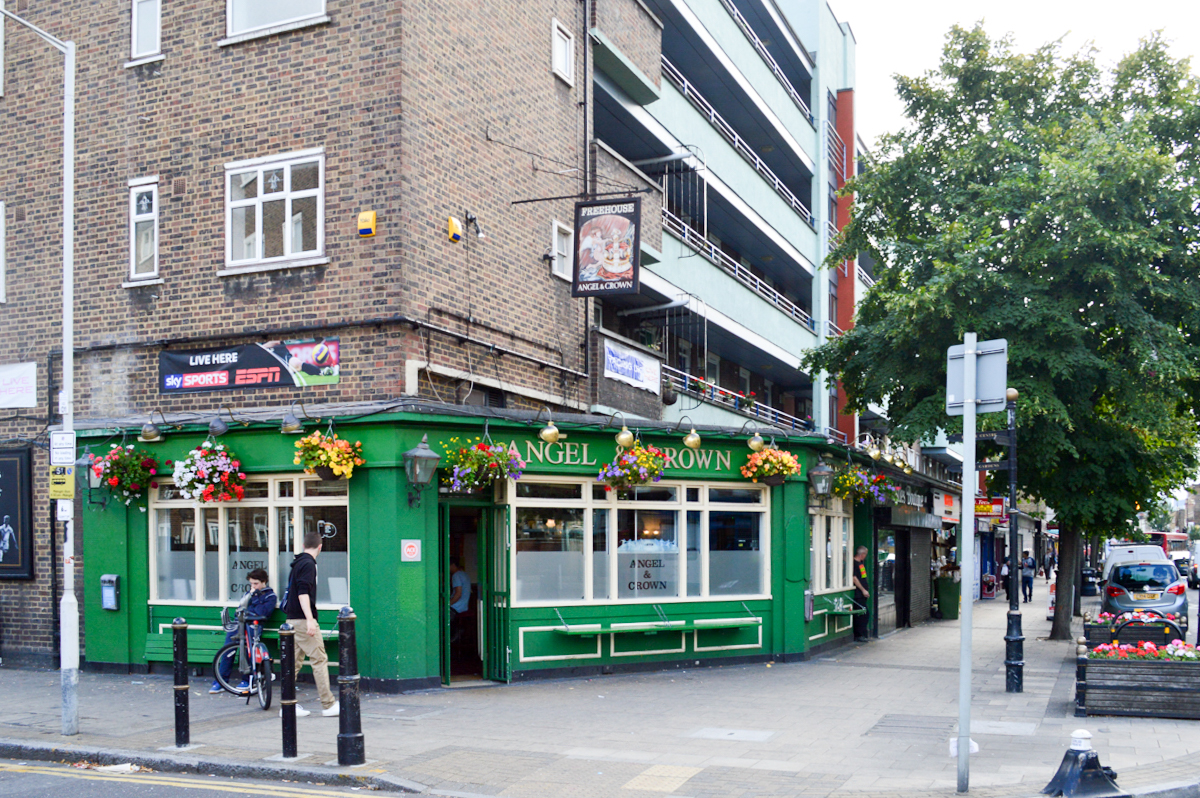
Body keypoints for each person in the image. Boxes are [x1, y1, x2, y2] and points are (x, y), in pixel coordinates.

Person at [283, 530, 338, 717]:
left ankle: (287, 705)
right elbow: (303, 592)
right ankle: (328, 704)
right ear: (320, 547)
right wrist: (310, 620)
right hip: (301, 620)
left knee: (293, 664)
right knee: (319, 659)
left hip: (292, 619)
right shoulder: (308, 564)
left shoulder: (298, 562)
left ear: (303, 545)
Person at [210, 568, 277, 694]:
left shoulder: (270, 596)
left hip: (253, 625)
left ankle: (248, 680)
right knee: (228, 651)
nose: (253, 586)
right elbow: (240, 609)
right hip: (240, 624)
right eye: (251, 583)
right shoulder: (248, 593)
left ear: (264, 582)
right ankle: (220, 681)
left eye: (256, 583)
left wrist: (255, 596)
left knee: (249, 650)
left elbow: (262, 612)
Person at [449, 560, 471, 643]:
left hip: (456, 607)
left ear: (453, 565)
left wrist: (448, 604)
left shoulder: (456, 575)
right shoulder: (464, 574)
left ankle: (452, 637)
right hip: (464, 606)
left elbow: (458, 594)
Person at [851, 546, 870, 642]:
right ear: (861, 554)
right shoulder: (854, 563)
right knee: (862, 614)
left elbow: (863, 576)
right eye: (865, 554)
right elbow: (854, 578)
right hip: (858, 594)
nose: (865, 557)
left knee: (864, 613)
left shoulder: (861, 564)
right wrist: (863, 590)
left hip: (863, 594)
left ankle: (863, 633)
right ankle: (859, 634)